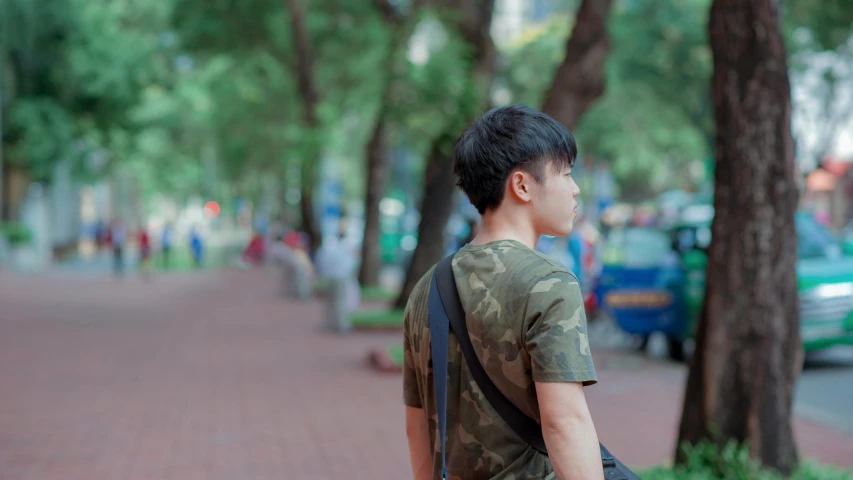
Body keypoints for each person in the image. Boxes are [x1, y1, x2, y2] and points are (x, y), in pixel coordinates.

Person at [403, 105, 602, 479]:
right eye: (566, 174)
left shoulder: (426, 287)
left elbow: (418, 427)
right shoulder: (550, 283)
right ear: (522, 185)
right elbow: (565, 423)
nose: (575, 189)